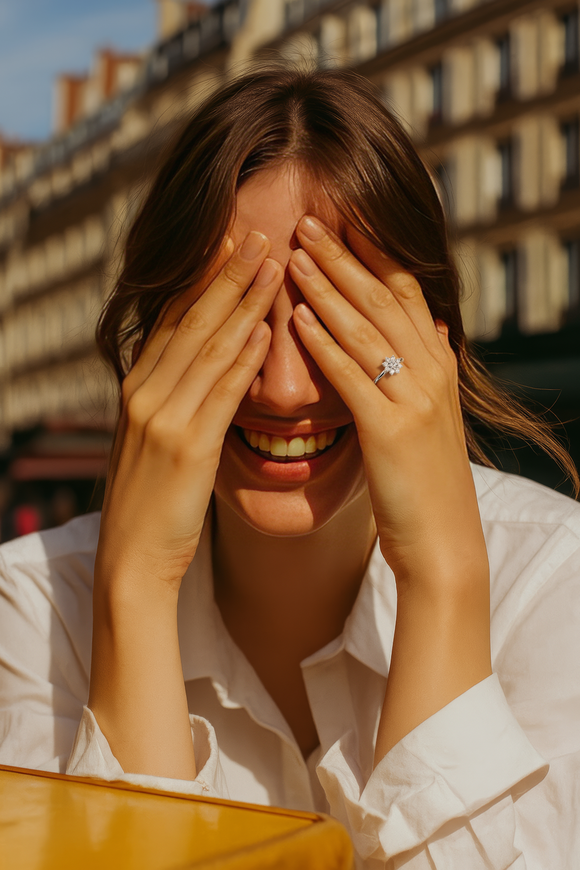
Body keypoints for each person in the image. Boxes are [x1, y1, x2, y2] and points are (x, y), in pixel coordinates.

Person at [1, 68, 579, 869]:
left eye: (333, 320)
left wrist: (443, 577)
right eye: (231, 320)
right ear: (149, 343)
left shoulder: (557, 587)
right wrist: (132, 586)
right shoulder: (31, 614)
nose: (284, 389)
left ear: (431, 342)